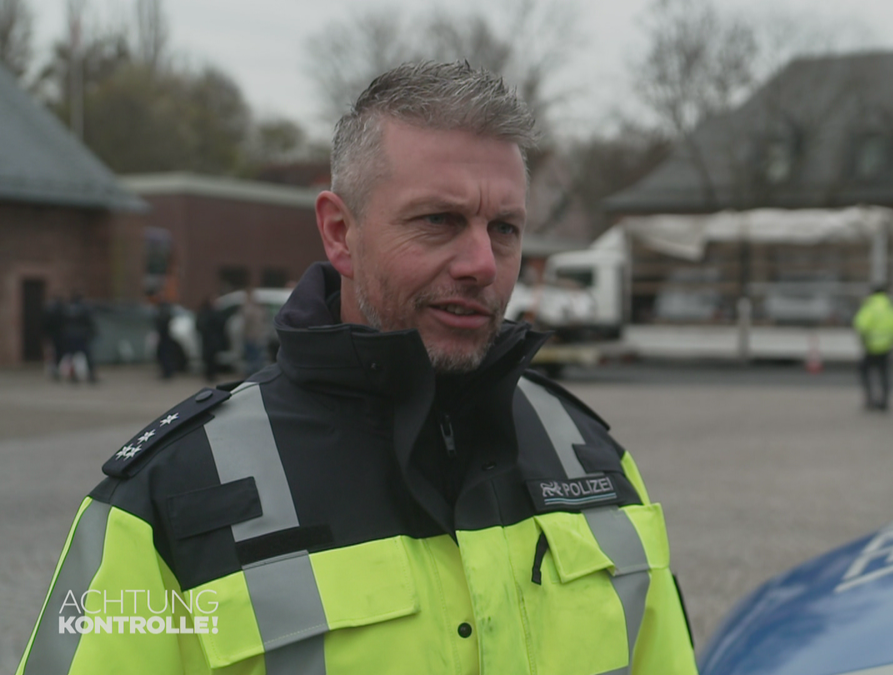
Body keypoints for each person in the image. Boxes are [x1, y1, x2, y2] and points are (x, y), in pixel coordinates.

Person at [17, 62, 697, 675]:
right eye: (439, 220)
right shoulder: (167, 501)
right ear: (340, 232)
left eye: (505, 229)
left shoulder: (591, 460)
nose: (483, 264)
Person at [853, 283, 893, 412]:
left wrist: (864, 338)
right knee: (884, 374)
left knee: (865, 371)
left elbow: (861, 324)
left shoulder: (870, 304)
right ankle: (885, 401)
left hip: (871, 346)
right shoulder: (891, 305)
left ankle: (870, 399)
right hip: (887, 346)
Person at [61, 291, 98, 383]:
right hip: (82, 335)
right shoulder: (84, 308)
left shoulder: (67, 309)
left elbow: (62, 323)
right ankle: (91, 375)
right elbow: (89, 321)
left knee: (71, 356)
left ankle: (73, 375)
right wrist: (92, 332)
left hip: (69, 335)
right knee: (87, 355)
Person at [195, 296, 225, 383]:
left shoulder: (215, 312)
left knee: (213, 358)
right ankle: (209, 375)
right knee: (209, 358)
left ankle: (212, 374)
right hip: (208, 339)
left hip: (213, 339)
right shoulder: (205, 313)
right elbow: (200, 325)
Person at [239, 286, 267, 376]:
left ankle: (253, 374)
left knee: (253, 358)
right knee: (256, 358)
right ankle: (256, 373)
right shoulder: (260, 309)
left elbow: (246, 322)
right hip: (256, 336)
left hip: (252, 337)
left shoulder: (249, 309)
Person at [154, 298, 180, 380]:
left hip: (164, 337)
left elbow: (162, 324)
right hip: (165, 337)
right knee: (165, 354)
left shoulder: (163, 313)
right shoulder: (166, 312)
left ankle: (168, 372)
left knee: (165, 355)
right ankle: (168, 372)